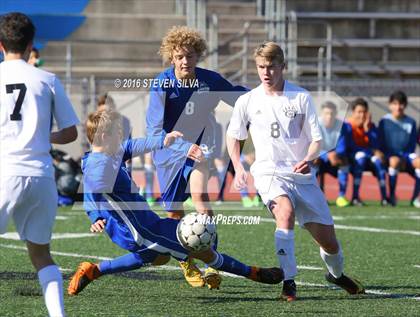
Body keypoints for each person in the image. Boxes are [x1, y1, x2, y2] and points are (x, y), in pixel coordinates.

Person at [67, 108, 284, 296]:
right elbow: (91, 191)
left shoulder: (111, 152)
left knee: (155, 257)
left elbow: (134, 145)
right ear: (105, 136)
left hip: (145, 222)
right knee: (202, 251)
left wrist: (163, 140)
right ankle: (254, 273)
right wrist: (94, 215)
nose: (122, 136)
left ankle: (93, 270)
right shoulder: (99, 165)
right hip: (141, 230)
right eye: (118, 132)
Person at [226, 42, 365, 302]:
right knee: (285, 212)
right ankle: (289, 283)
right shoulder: (247, 100)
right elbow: (234, 136)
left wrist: (310, 158)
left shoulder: (300, 97)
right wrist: (238, 165)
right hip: (268, 173)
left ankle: (336, 275)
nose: (266, 73)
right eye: (261, 67)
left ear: (282, 67)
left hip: (301, 177)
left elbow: (316, 139)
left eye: (271, 67)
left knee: (330, 244)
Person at [146, 26, 247, 288]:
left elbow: (239, 97)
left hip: (199, 151)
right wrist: (181, 147)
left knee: (201, 198)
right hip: (168, 155)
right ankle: (187, 263)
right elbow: (155, 131)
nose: (185, 61)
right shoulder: (161, 84)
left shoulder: (209, 81)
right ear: (171, 57)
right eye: (179, 56)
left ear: (197, 56)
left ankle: (213, 263)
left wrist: (265, 99)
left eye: (189, 56)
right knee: (174, 215)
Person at [0, 12, 79, 317]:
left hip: (6, 174)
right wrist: (44, 134)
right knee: (42, 256)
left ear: (1, 44)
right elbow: (71, 131)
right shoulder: (48, 79)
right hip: (42, 177)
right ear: (32, 43)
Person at [342, 98, 388, 206]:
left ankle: (385, 198)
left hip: (368, 157)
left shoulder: (370, 126)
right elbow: (349, 146)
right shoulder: (347, 126)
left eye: (364, 112)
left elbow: (377, 145)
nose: (362, 115)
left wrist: (367, 131)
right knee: (361, 157)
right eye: (359, 112)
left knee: (378, 161)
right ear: (353, 112)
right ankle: (355, 197)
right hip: (353, 158)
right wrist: (370, 150)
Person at [378, 91, 419, 207]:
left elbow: (411, 144)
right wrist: (388, 155)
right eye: (395, 104)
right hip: (390, 155)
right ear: (390, 105)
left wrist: (405, 158)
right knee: (394, 161)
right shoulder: (384, 121)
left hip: (406, 155)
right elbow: (381, 142)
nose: (398, 107)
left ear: (405, 105)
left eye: (401, 104)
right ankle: (391, 196)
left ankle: (415, 198)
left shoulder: (411, 122)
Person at [314, 101, 350, 207]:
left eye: (331, 114)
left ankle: (341, 197)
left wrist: (334, 154)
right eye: (326, 113)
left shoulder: (341, 126)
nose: (329, 116)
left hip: (335, 159)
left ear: (336, 114)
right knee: (314, 160)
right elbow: (313, 146)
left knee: (344, 162)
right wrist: (326, 154)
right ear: (321, 114)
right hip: (321, 158)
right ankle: (318, 197)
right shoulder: (315, 125)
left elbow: (342, 147)